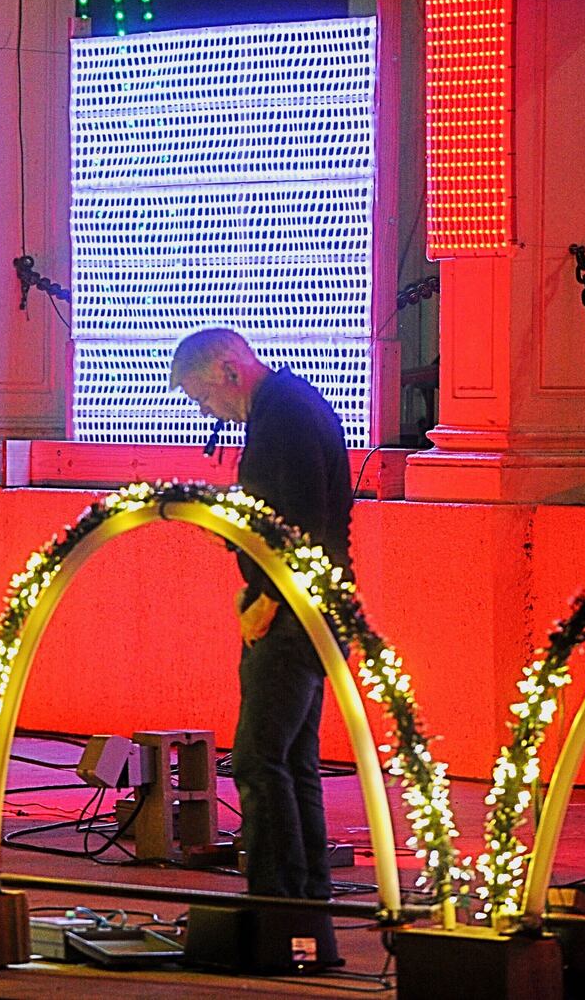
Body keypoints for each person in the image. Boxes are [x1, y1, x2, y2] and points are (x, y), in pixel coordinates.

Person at [170, 328, 352, 969]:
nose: (205, 414)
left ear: (227, 369)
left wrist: (267, 600)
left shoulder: (283, 417)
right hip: (309, 610)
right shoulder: (290, 409)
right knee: (291, 762)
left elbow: (299, 524)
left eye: (200, 397)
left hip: (293, 615)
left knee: (257, 760)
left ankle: (279, 907)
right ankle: (305, 911)